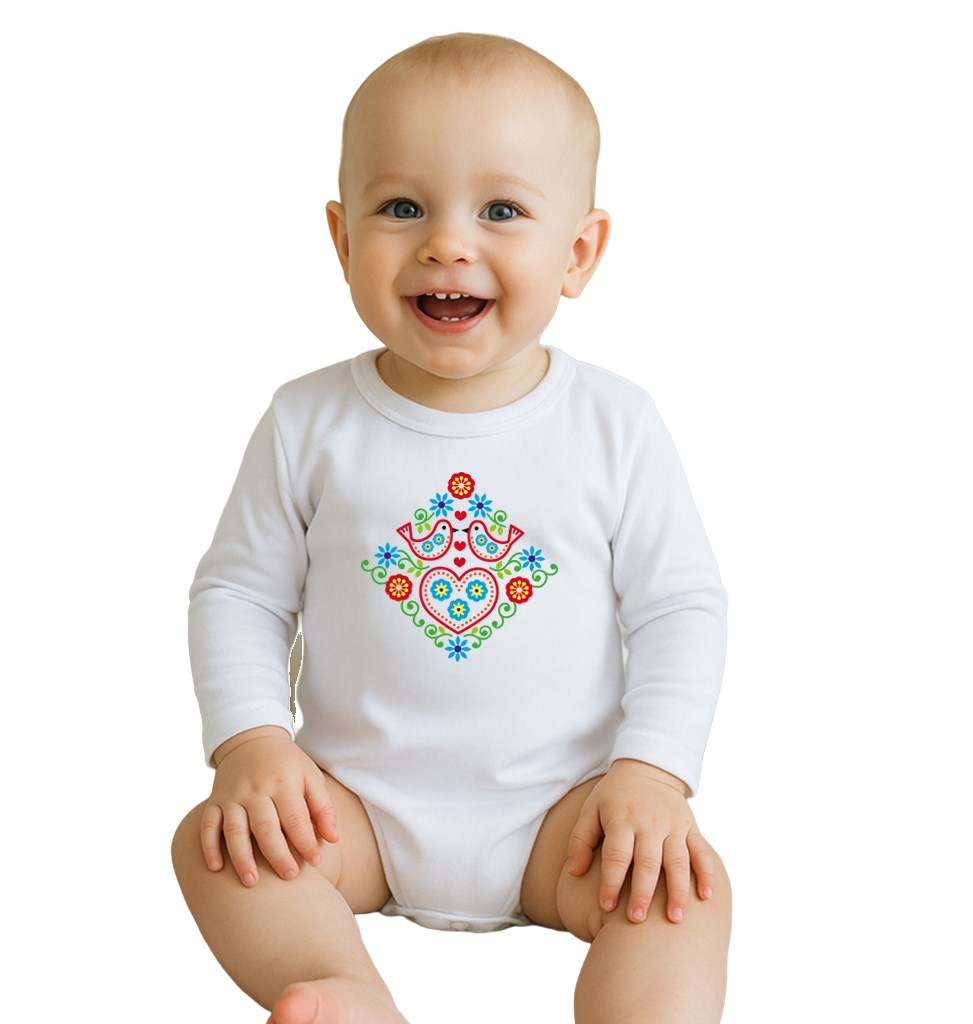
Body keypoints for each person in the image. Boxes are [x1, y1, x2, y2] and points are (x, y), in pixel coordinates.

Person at [172, 32, 732, 1024]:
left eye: (500, 211)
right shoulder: (308, 421)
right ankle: (348, 989)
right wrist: (251, 744)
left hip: (568, 819)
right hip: (349, 811)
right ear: (342, 239)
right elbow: (239, 594)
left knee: (684, 886)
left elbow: (679, 607)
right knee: (216, 842)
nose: (446, 243)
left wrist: (652, 775)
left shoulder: (614, 425)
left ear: (579, 253)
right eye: (402, 207)